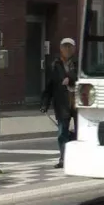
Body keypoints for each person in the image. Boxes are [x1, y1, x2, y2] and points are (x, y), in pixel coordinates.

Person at [40, 37, 78, 168]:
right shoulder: (55, 65)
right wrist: (45, 103)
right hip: (62, 104)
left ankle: (79, 156)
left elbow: (81, 75)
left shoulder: (79, 62)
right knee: (62, 133)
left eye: (70, 46)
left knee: (81, 131)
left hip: (78, 103)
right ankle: (64, 158)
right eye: (64, 46)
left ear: (74, 48)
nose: (67, 49)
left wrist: (70, 79)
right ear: (61, 49)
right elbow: (50, 86)